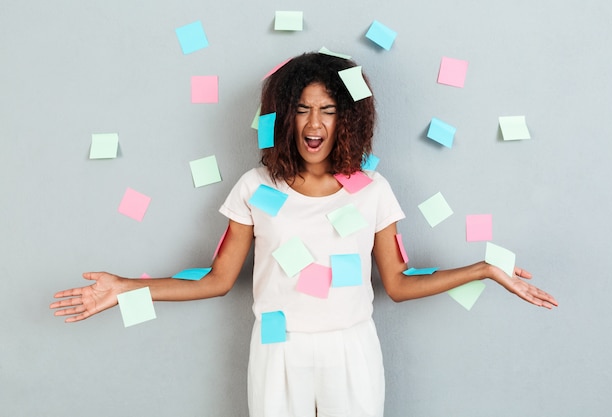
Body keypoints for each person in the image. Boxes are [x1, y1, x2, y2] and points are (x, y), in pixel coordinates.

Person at [50, 52, 558, 417]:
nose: (314, 123)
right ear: (283, 116)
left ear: (347, 119)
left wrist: (487, 269)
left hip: (352, 348)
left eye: (329, 110)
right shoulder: (254, 187)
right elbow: (216, 280)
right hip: (279, 351)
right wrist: (124, 288)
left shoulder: (372, 189)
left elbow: (399, 284)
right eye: (302, 109)